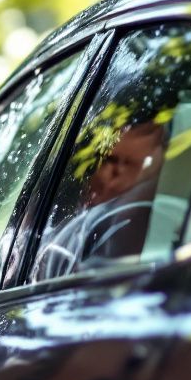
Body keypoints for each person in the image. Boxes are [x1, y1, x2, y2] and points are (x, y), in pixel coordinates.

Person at [34, 119, 168, 279]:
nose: (115, 171)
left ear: (152, 171)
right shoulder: (62, 225)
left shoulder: (133, 219)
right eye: (109, 159)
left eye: (131, 163)